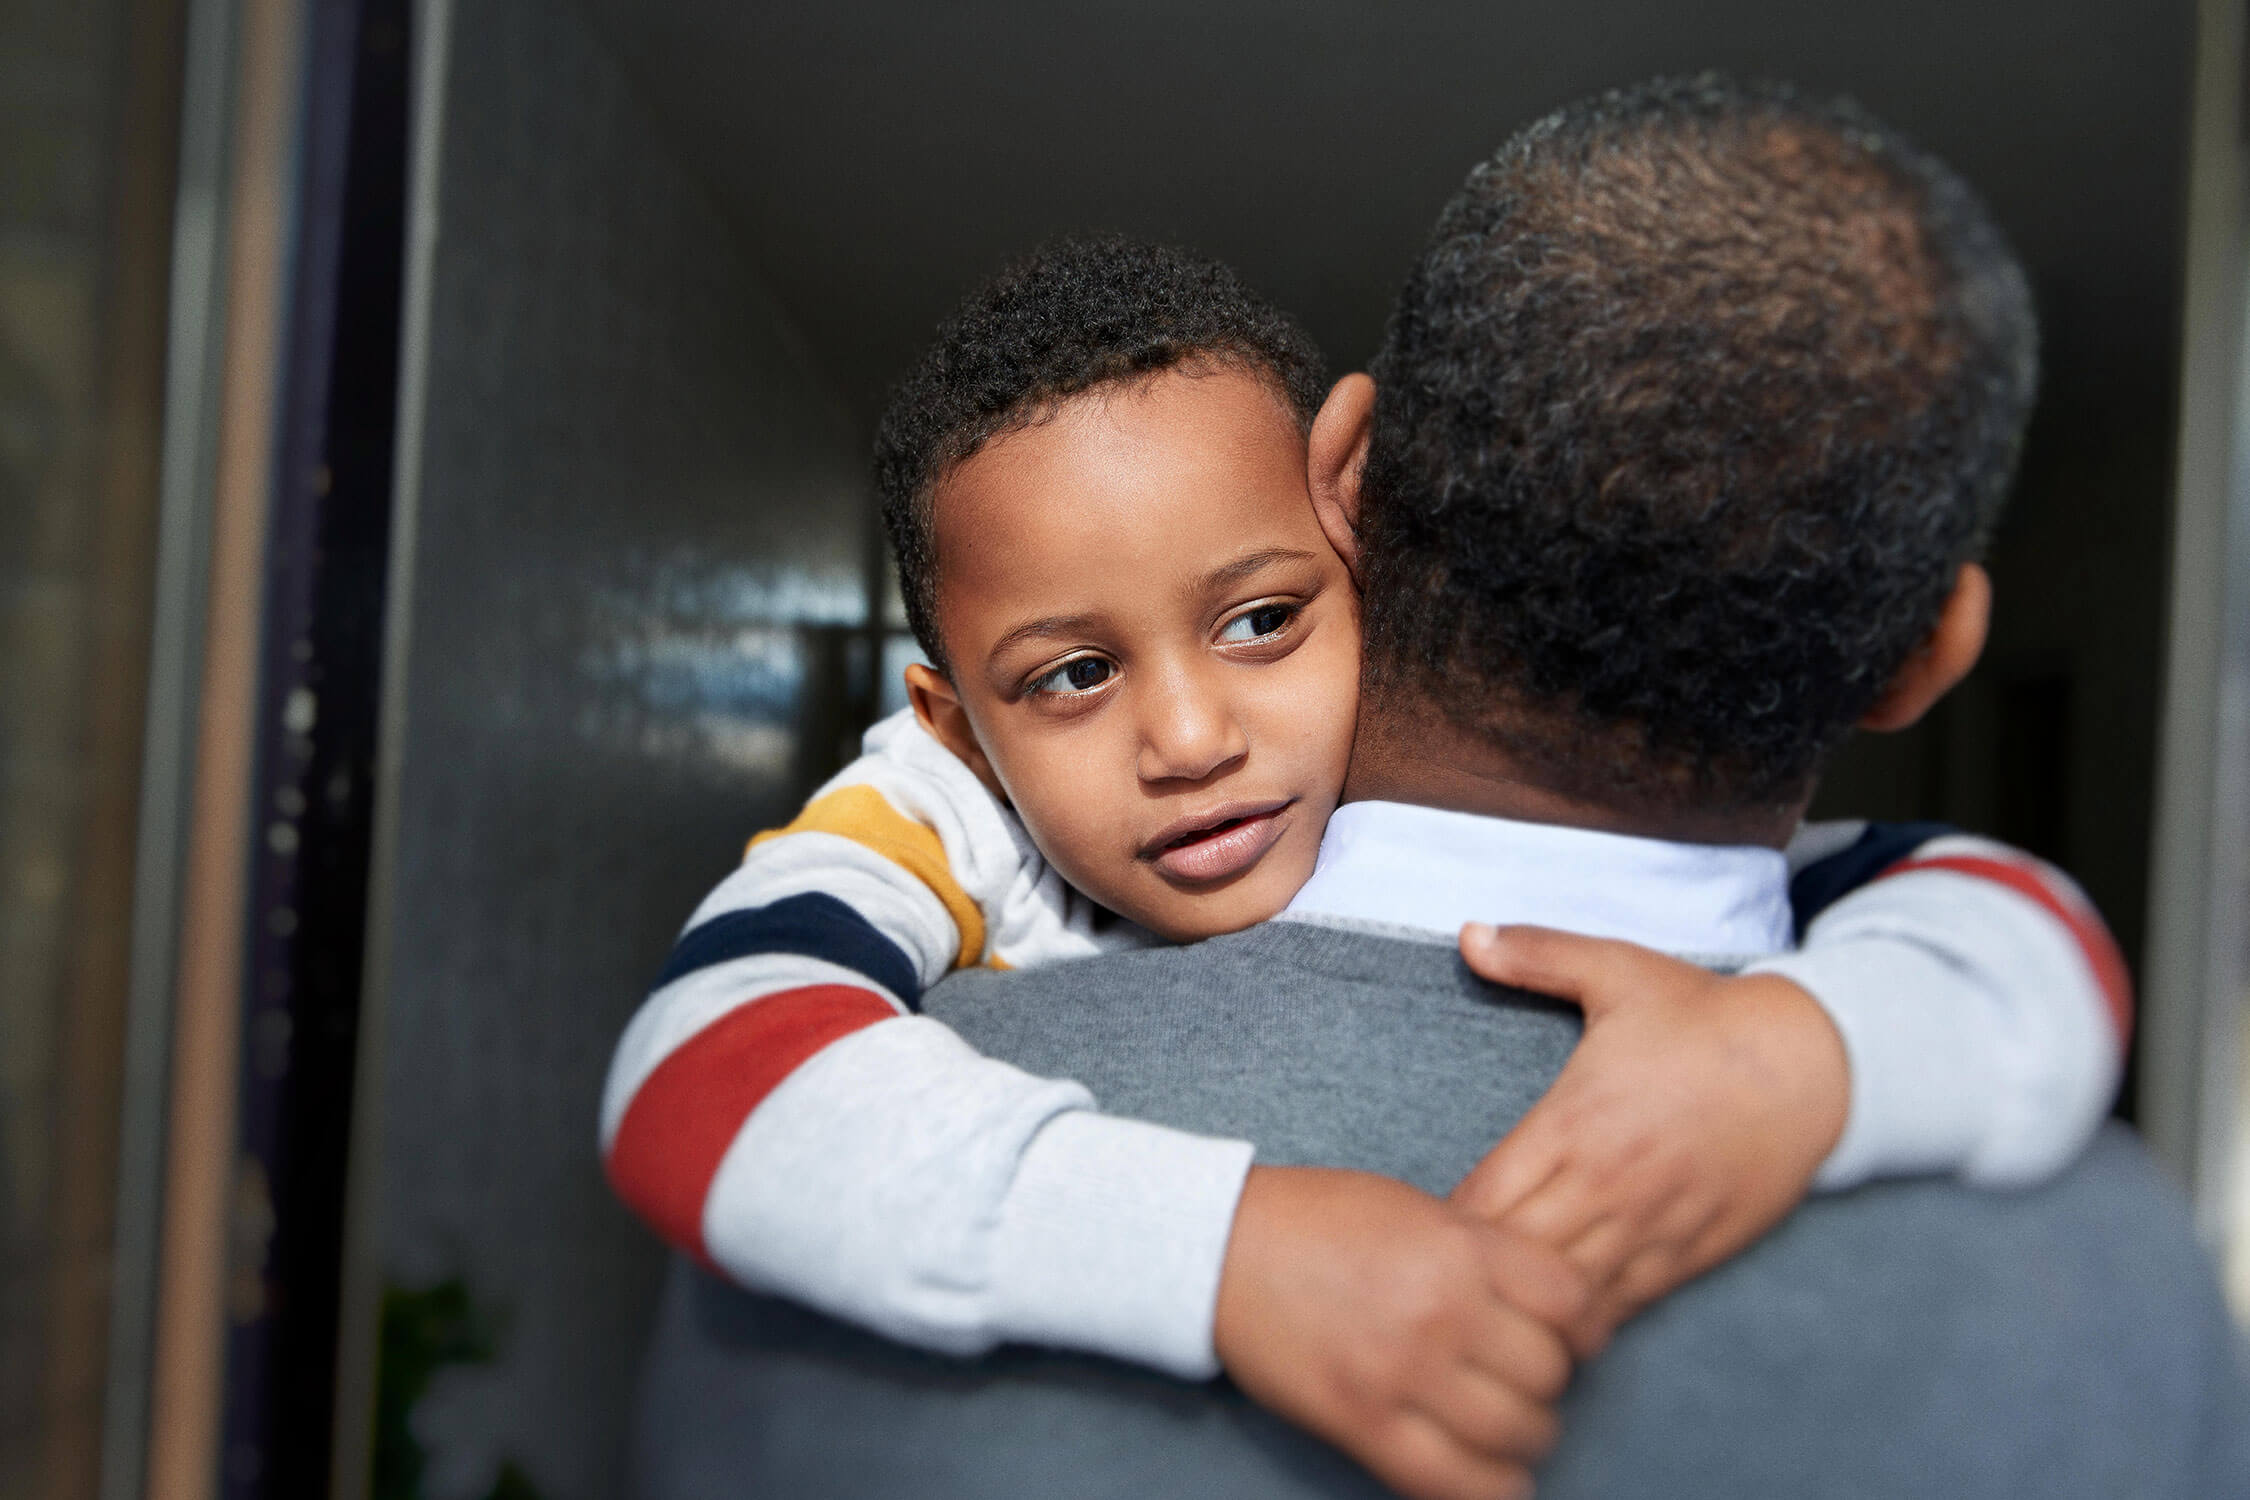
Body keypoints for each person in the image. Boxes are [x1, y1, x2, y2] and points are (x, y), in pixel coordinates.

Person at [628, 78, 2250, 1500]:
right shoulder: (2120, 1269)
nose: (1186, 737)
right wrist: (1227, 1245)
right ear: (1930, 654)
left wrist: (1806, 1058)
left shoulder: (793, 1287)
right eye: (1072, 674)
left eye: (1259, 622)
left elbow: (1991, 905)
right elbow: (704, 1058)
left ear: (1347, 489)